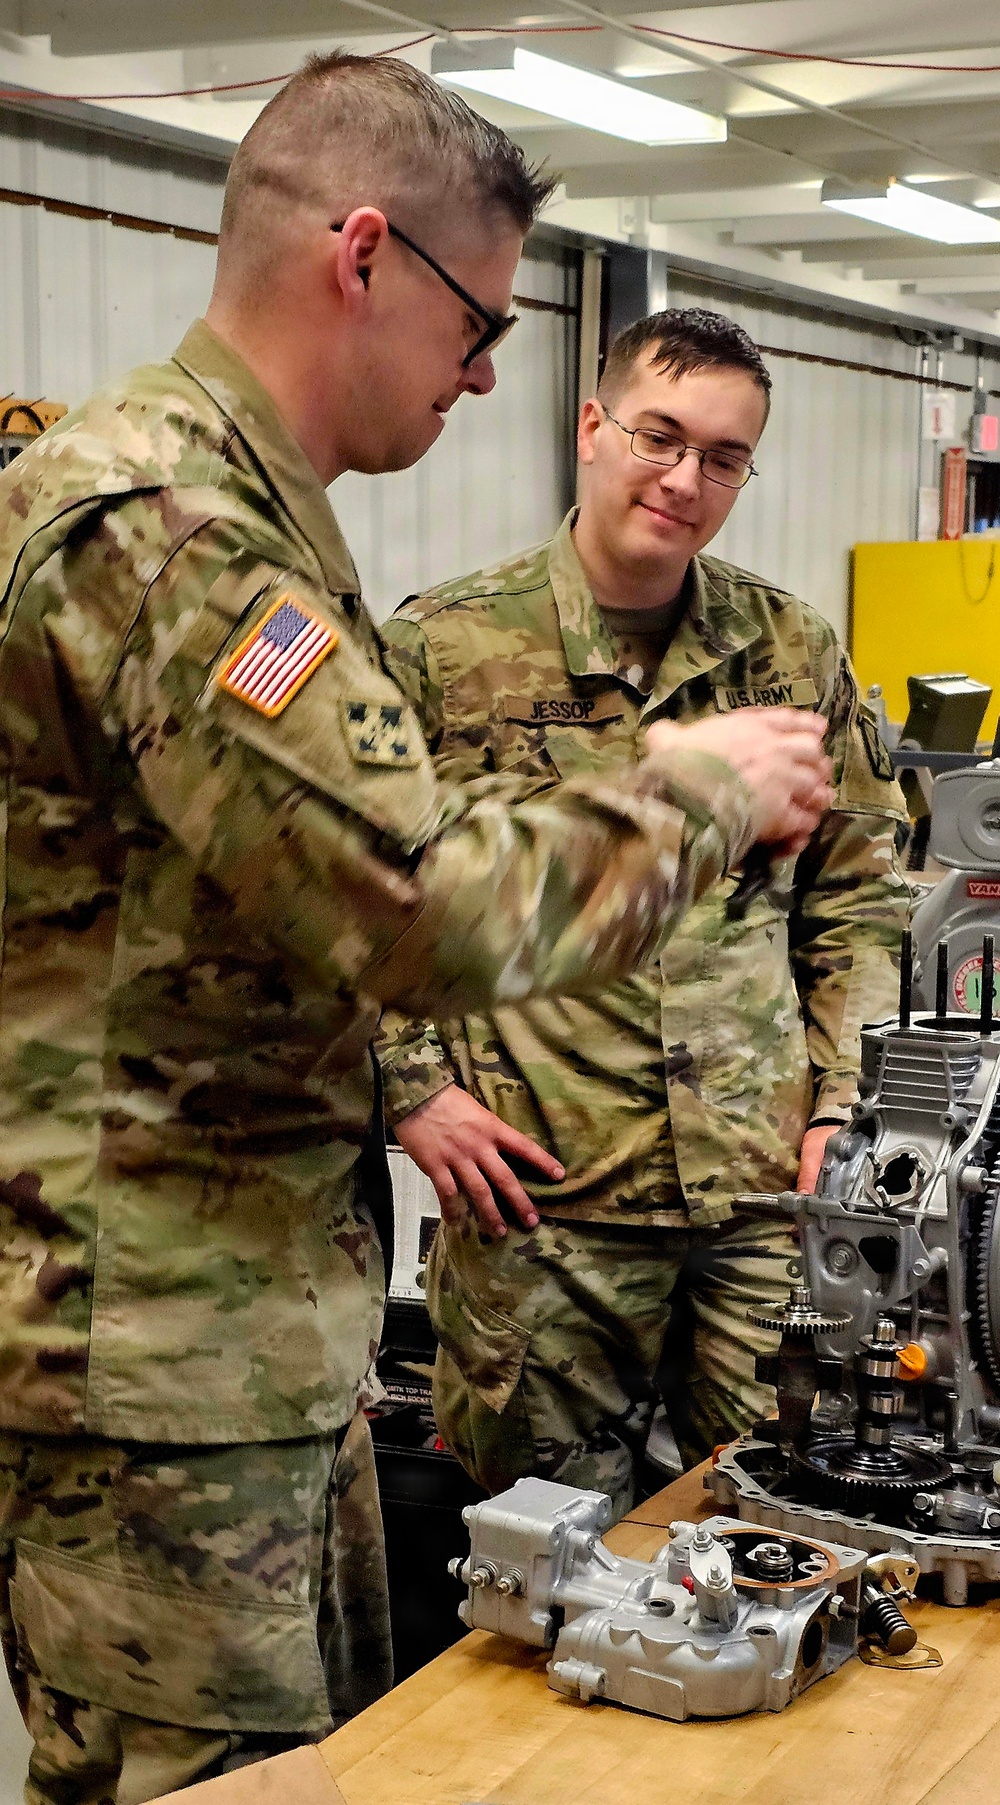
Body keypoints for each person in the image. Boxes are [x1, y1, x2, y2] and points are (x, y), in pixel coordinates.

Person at [0, 57, 832, 1805]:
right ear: (359, 255)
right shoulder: (173, 534)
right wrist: (687, 789)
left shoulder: (237, 526)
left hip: (224, 1334)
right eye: (475, 321)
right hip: (153, 1357)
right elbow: (416, 902)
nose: (481, 375)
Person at [377, 307, 908, 1518]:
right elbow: (351, 893)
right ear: (590, 426)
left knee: (787, 1529)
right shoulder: (443, 650)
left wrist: (841, 1108)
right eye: (659, 436)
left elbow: (858, 891)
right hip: (543, 1207)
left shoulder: (787, 646)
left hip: (761, 1195)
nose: (685, 480)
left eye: (725, 457)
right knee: (539, 1568)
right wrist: (411, 1090)